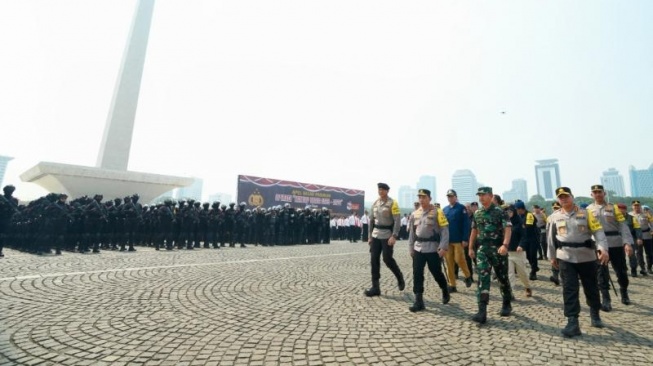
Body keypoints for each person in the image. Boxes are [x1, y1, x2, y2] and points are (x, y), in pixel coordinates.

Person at [547, 187, 609, 338]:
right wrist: (552, 256)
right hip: (566, 257)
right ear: (558, 200)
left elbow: (598, 232)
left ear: (572, 197)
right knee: (569, 289)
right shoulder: (554, 217)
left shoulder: (586, 214)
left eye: (566, 196)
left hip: (586, 256)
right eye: (560, 197)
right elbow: (550, 238)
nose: (564, 199)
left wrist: (603, 248)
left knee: (591, 287)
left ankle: (595, 313)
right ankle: (572, 322)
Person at [468, 187, 513, 324]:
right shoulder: (478, 213)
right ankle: (482, 311)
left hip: (498, 249)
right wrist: (471, 247)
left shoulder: (500, 212)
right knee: (483, 277)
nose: (481, 198)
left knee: (502, 277)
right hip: (483, 249)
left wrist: (505, 245)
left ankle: (506, 302)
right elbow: (474, 231)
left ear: (491, 196)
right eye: (479, 195)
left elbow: (508, 229)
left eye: (484, 195)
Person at [586, 185, 634, 308]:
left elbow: (623, 226)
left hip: (615, 244)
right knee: (601, 273)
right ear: (592, 195)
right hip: (599, 246)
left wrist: (627, 243)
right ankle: (606, 299)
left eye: (599, 192)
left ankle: (624, 292)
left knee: (622, 272)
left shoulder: (614, 208)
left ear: (604, 193)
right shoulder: (588, 210)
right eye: (595, 192)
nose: (597, 194)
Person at [407, 189, 450, 312]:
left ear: (429, 198)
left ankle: (444, 289)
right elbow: (412, 233)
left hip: (432, 248)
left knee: (436, 272)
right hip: (418, 248)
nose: (421, 200)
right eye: (420, 197)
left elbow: (444, 230)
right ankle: (418, 300)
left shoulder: (438, 212)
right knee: (417, 273)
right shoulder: (415, 213)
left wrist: (443, 247)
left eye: (424, 197)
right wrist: (411, 247)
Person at [364, 183, 405, 296]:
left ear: (387, 191)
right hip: (376, 235)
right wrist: (369, 236)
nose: (380, 191)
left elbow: (397, 221)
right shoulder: (375, 203)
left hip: (387, 235)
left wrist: (394, 235)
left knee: (387, 259)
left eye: (383, 190)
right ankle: (375, 287)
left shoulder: (393, 203)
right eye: (379, 189)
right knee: (374, 260)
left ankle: (399, 276)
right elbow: (371, 221)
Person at [442, 189, 473, 293]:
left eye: (452, 196)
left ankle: (468, 276)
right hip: (447, 240)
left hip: (458, 239)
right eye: (448, 196)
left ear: (456, 197)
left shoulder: (461, 208)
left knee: (459, 259)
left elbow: (466, 224)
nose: (450, 198)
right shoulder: (445, 210)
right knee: (449, 263)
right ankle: (452, 284)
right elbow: (442, 226)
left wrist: (465, 238)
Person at [505, 204, 532, 298]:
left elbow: (524, 236)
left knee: (522, 273)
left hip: (518, 252)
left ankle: (528, 287)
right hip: (508, 252)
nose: (509, 214)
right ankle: (510, 292)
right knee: (510, 273)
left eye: (510, 212)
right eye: (507, 212)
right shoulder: (505, 223)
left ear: (514, 212)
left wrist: (521, 245)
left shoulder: (519, 223)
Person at [617, 203, 642, 277]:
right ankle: (623, 269)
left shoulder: (632, 218)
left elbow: (637, 228)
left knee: (631, 255)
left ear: (625, 210)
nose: (621, 211)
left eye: (622, 209)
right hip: (618, 239)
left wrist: (639, 238)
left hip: (630, 238)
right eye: (619, 209)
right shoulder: (615, 218)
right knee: (621, 256)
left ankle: (633, 269)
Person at [630, 201, 652, 275]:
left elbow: (651, 224)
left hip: (647, 235)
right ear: (632, 207)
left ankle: (649, 267)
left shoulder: (646, 214)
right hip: (636, 236)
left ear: (640, 206)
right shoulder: (630, 215)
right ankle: (643, 269)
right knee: (639, 253)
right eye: (635, 206)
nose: (636, 207)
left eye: (638, 206)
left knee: (650, 253)